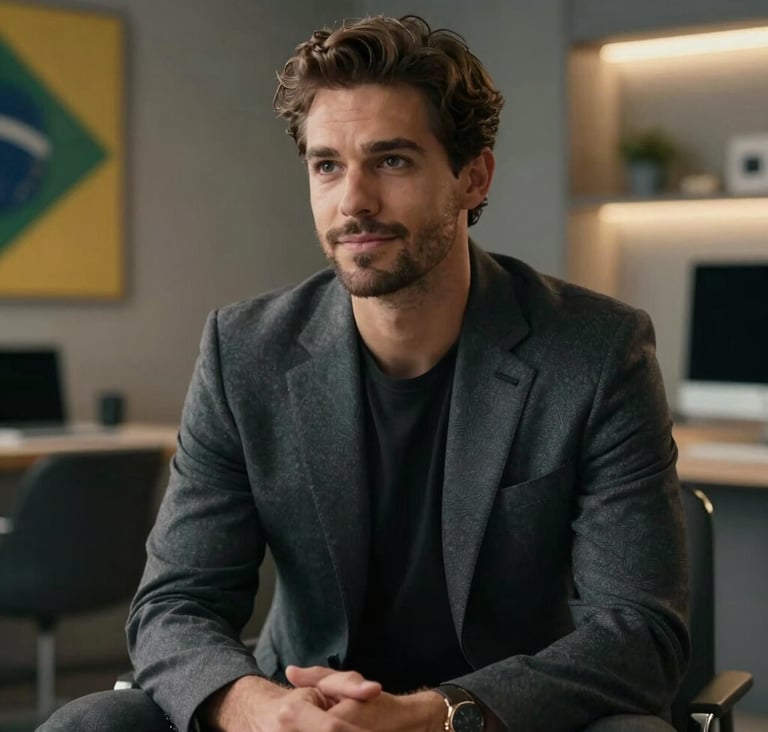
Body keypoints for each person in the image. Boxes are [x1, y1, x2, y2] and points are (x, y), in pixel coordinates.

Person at [41, 14, 689, 732]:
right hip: (303, 715)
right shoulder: (245, 351)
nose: (353, 202)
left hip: (499, 718)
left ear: (473, 177)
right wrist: (258, 708)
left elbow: (640, 634)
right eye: (327, 165)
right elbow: (175, 603)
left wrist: (432, 714)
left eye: (392, 161)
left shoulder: (596, 351)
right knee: (94, 722)